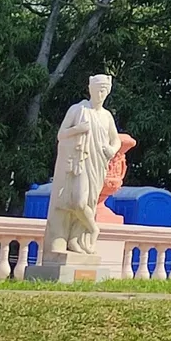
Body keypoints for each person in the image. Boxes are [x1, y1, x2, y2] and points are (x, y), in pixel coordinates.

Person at [44, 74, 122, 256]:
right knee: (78, 202)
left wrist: (112, 149)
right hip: (79, 163)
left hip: (98, 164)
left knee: (88, 202)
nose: (100, 94)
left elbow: (116, 139)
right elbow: (61, 134)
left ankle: (75, 239)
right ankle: (93, 229)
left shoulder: (106, 116)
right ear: (90, 89)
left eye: (104, 91)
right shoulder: (78, 110)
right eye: (97, 90)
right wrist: (78, 129)